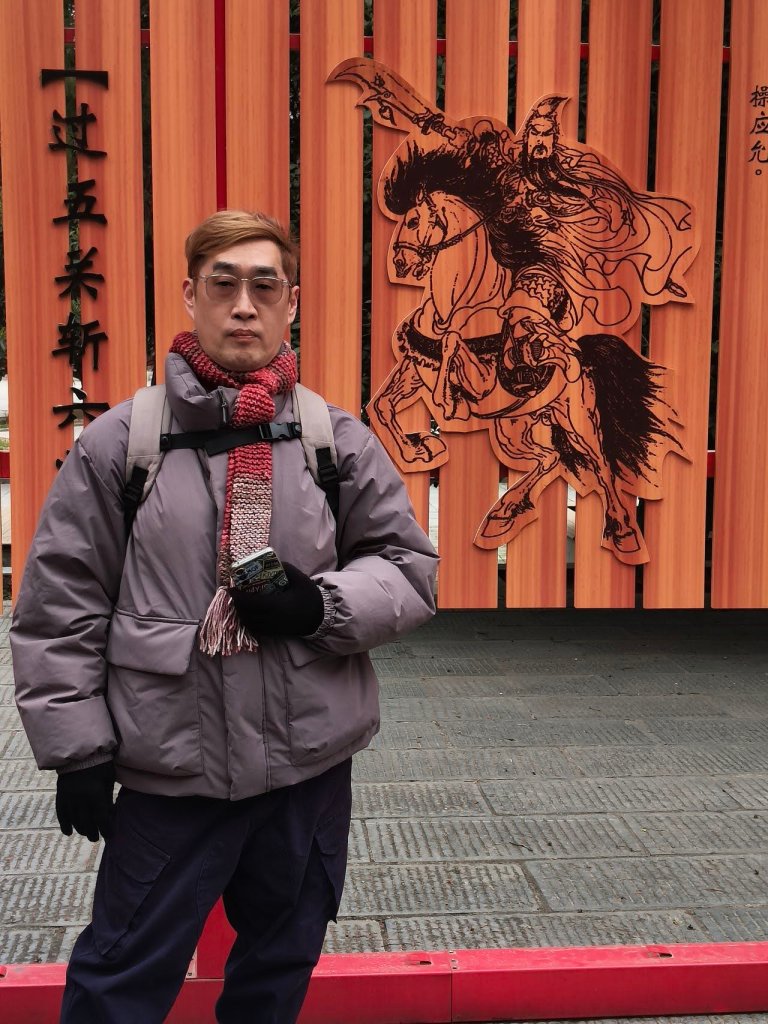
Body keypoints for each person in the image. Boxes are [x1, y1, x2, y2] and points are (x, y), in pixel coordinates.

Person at [11, 209, 438, 1023]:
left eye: (264, 286)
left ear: (291, 303)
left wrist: (319, 604)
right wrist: (77, 750)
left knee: (279, 966)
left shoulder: (332, 439)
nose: (244, 305)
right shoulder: (122, 443)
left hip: (306, 767)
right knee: (118, 974)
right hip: (173, 769)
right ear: (190, 295)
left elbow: (408, 567)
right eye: (224, 284)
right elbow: (62, 603)